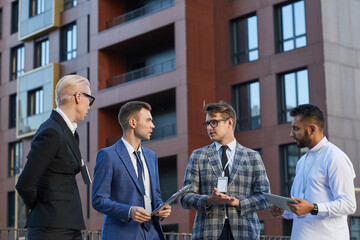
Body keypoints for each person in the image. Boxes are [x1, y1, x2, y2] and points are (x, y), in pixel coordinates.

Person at [16, 75, 95, 239]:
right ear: (78, 96)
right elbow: (25, 183)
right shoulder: (51, 131)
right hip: (51, 229)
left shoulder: (68, 132)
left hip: (67, 226)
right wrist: (44, 207)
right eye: (90, 99)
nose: (89, 106)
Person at [181, 102, 271, 240]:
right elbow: (185, 197)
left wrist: (239, 202)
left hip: (244, 232)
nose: (209, 128)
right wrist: (209, 200)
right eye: (207, 124)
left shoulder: (252, 156)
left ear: (229, 123)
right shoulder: (198, 156)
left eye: (214, 122)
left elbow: (265, 198)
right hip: (207, 233)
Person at [270, 104, 356, 240]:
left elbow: (349, 205)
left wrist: (313, 208)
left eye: (296, 128)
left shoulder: (336, 158)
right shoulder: (301, 161)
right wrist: (283, 211)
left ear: (312, 129)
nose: (291, 134)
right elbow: (300, 208)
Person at [92, 101, 171, 240]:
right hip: (122, 233)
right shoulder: (108, 155)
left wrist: (161, 207)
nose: (152, 125)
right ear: (133, 123)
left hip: (153, 232)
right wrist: (129, 211)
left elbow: (155, 196)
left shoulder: (151, 156)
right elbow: (99, 200)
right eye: (148, 120)